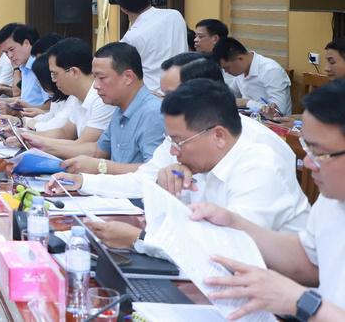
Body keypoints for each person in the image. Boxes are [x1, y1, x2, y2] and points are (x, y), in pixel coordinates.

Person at [79, 80, 309, 252]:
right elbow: (179, 224)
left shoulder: (259, 167)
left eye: (179, 142)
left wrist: (139, 238)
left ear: (218, 135)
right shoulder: (201, 158)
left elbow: (230, 249)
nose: (172, 151)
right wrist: (167, 188)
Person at [189, 81, 345, 321]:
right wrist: (234, 223)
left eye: (319, 152)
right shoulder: (331, 200)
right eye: (307, 148)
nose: (309, 163)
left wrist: (299, 300)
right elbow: (308, 260)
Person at [50, 55, 296, 202]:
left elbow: (236, 243)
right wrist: (81, 182)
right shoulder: (180, 134)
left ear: (204, 92)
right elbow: (144, 180)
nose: (162, 103)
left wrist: (139, 238)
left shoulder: (261, 152)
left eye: (171, 95)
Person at [51, 42, 166, 173]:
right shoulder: (120, 107)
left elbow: (155, 170)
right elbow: (99, 151)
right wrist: (46, 146)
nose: (95, 86)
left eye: (101, 78)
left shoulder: (153, 112)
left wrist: (101, 167)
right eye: (94, 78)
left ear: (128, 77)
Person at [8, 39, 115, 155]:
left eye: (54, 74)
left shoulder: (102, 99)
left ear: (73, 72)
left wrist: (36, 141)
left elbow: (82, 145)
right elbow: (65, 132)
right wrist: (23, 135)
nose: (53, 80)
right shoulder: (76, 97)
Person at [114, 0, 188, 95]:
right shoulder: (175, 16)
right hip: (182, 92)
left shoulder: (131, 38)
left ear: (123, 8)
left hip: (152, 96)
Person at [214, 37, 292, 116]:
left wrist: (246, 103)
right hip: (250, 119)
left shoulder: (271, 70)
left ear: (240, 58)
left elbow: (278, 111)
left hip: (273, 124)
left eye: (227, 67)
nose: (226, 71)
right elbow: (232, 95)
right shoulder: (240, 70)